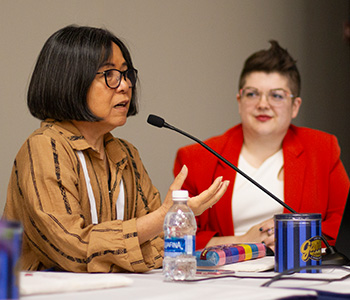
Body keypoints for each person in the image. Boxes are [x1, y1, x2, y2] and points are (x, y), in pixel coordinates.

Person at [2, 25, 229, 273]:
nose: (125, 85)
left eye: (126, 73)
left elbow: (164, 244)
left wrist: (145, 235)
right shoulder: (45, 147)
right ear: (70, 79)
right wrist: (163, 217)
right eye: (110, 74)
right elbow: (74, 250)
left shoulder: (126, 153)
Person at [174, 40, 350, 251]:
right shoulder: (197, 158)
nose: (263, 104)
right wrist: (242, 240)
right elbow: (177, 237)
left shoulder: (322, 149)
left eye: (276, 95)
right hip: (225, 276)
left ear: (295, 106)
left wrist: (294, 239)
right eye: (252, 93)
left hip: (296, 272)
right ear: (239, 101)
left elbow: (340, 229)